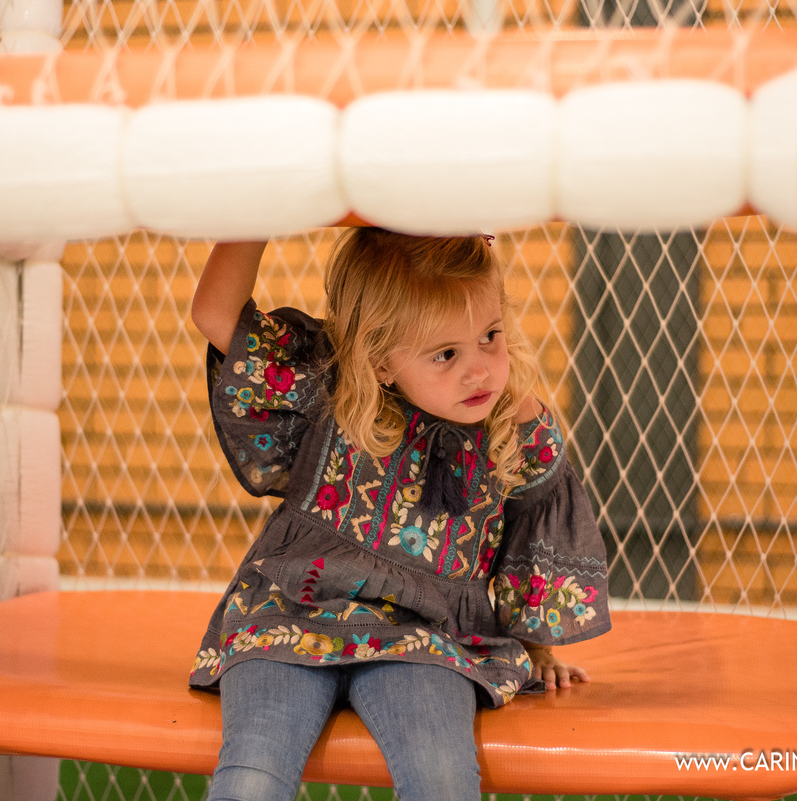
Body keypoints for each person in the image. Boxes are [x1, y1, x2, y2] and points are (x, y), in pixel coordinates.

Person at [189, 230, 611, 800]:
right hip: (288, 614)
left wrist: (538, 647)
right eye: (446, 354)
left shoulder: (514, 427)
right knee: (254, 770)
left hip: (428, 635)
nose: (479, 371)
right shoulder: (333, 387)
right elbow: (216, 314)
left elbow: (532, 534)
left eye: (490, 337)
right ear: (380, 361)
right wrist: (260, 211)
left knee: (441, 777)